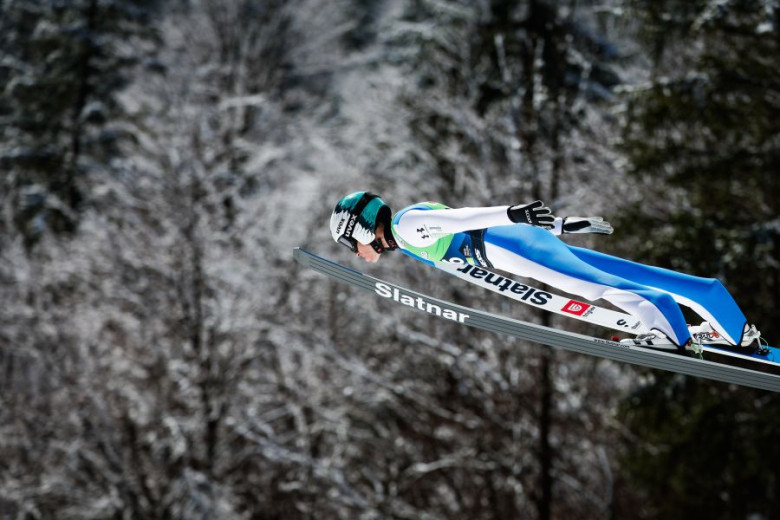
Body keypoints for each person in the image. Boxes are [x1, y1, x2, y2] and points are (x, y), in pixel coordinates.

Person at [329, 191, 761, 352]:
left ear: (363, 229)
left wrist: (513, 213)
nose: (357, 253)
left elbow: (461, 220)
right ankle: (728, 319)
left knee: (590, 285)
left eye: (352, 244)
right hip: (515, 240)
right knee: (625, 271)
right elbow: (464, 220)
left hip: (504, 244)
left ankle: (668, 326)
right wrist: (557, 225)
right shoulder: (406, 229)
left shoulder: (405, 227)